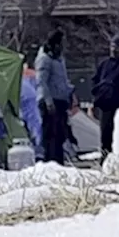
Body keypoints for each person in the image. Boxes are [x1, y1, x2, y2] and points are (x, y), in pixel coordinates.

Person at [35, 29, 73, 164]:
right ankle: (50, 160)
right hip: (50, 102)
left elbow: (63, 79)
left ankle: (58, 160)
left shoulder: (59, 59)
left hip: (61, 100)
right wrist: (48, 101)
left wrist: (69, 93)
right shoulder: (45, 58)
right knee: (51, 134)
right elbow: (41, 81)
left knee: (60, 134)